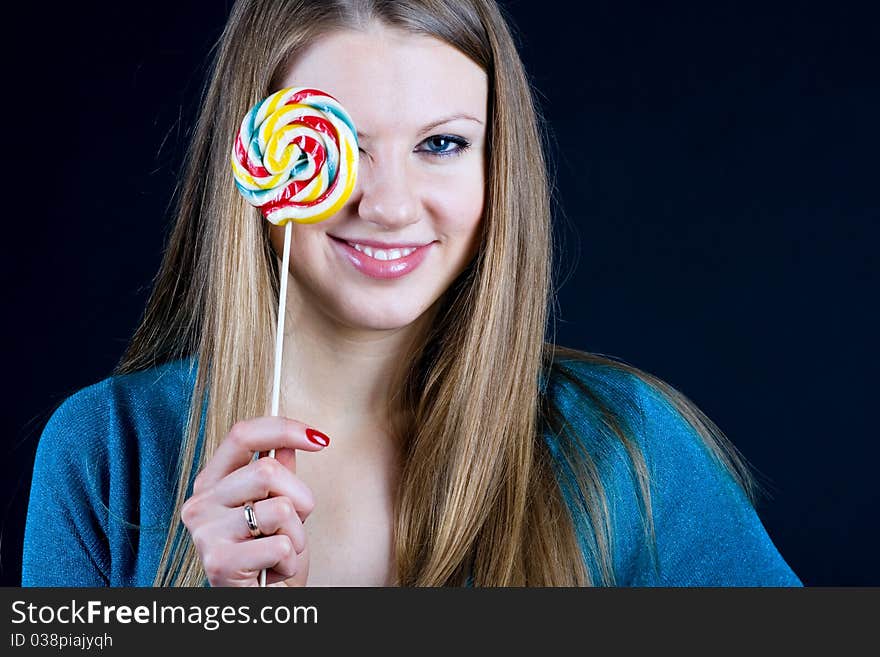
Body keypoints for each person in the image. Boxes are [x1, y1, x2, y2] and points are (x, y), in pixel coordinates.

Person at [22, 0, 802, 587]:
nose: (390, 204)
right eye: (338, 144)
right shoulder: (105, 452)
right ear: (259, 160)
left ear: (499, 163)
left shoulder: (627, 451)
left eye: (441, 143)